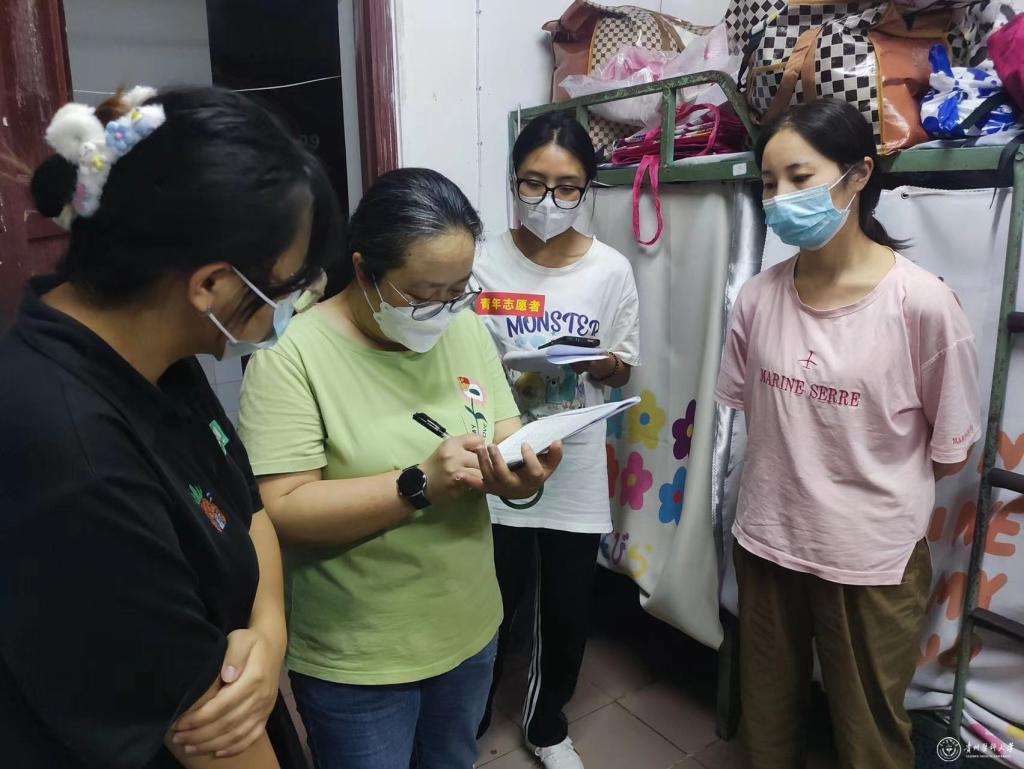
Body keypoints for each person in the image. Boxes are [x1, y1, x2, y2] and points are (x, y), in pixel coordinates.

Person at [0, 85, 342, 769]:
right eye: (286, 286)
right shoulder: (75, 458)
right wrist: (251, 670)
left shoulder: (155, 349)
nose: (293, 303)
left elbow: (247, 507)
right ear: (210, 285)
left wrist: (268, 636)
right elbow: (213, 737)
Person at [237, 166, 562, 769]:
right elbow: (283, 511)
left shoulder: (464, 329)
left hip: (467, 627)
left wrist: (521, 476)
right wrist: (418, 485)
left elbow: (505, 433)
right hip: (359, 656)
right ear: (364, 270)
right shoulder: (291, 358)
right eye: (423, 294)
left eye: (459, 289)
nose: (444, 309)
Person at [715, 99, 981, 769]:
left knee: (870, 738)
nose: (780, 198)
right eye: (769, 183)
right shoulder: (757, 298)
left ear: (858, 175)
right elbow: (755, 415)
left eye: (799, 178)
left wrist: (856, 496)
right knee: (766, 725)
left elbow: (950, 453)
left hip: (871, 564)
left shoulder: (921, 304)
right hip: (767, 541)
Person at [474, 112, 641, 769]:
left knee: (567, 607)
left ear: (587, 188)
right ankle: (469, 717)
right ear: (513, 180)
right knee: (488, 601)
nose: (548, 200)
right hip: (496, 457)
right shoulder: (480, 262)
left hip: (574, 458)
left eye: (567, 187)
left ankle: (546, 726)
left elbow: (623, 365)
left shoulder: (610, 269)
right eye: (533, 183)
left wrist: (593, 361)